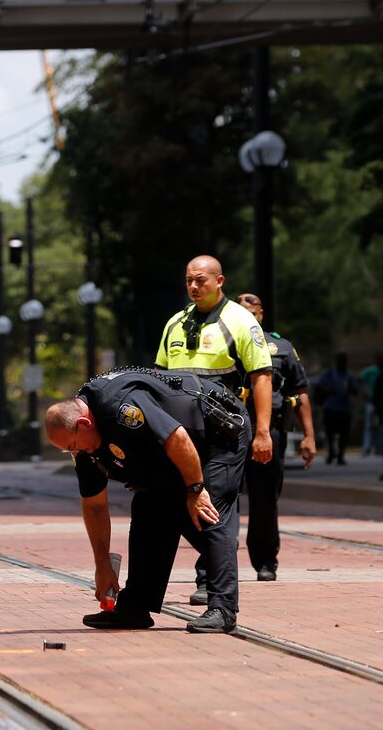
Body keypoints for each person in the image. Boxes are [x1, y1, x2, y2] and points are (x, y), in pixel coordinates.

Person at [46, 367, 249, 633]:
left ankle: (223, 609)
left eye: (73, 446)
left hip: (216, 433)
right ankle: (135, 608)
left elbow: (177, 438)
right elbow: (94, 505)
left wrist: (196, 489)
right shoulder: (85, 444)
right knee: (148, 513)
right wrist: (102, 565)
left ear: (84, 424)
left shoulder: (121, 407)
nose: (75, 453)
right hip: (170, 450)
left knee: (207, 513)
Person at [155, 255, 271, 606]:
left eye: (201, 280)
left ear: (220, 282)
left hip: (224, 432)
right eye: (189, 280)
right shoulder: (176, 323)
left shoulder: (241, 321)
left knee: (215, 504)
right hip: (182, 434)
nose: (194, 286)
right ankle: (212, 568)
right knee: (180, 504)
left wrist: (263, 432)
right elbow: (158, 377)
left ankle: (217, 594)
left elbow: (261, 375)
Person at [234, 293, 315, 583]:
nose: (248, 318)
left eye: (252, 313)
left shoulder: (280, 347)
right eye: (241, 314)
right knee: (221, 497)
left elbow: (300, 391)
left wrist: (309, 436)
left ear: (261, 314)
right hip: (228, 430)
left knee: (265, 499)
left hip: (268, 430)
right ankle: (213, 566)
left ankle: (265, 560)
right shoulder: (222, 346)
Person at [314, 352, 358, 465]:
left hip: (344, 408)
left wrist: (350, 389)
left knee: (344, 433)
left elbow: (355, 390)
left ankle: (341, 455)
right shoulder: (329, 373)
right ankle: (331, 452)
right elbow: (318, 386)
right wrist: (327, 390)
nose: (342, 364)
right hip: (331, 408)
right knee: (330, 433)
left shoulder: (348, 375)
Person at [360, 355, 383, 456]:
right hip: (371, 401)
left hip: (380, 402)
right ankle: (367, 447)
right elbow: (361, 379)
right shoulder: (371, 370)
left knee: (380, 426)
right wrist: (364, 393)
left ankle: (378, 448)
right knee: (369, 425)